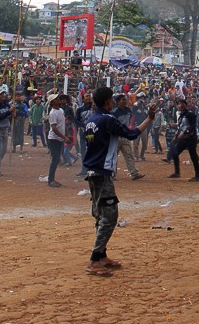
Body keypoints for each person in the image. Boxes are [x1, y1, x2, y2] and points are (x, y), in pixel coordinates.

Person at [83, 86, 155, 275]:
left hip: (92, 171)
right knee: (110, 216)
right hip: (102, 173)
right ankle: (94, 259)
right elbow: (131, 134)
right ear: (108, 102)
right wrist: (149, 119)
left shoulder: (91, 120)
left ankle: (102, 256)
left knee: (100, 215)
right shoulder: (108, 119)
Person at [112, 93, 144, 181]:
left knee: (129, 154)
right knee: (114, 156)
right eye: (123, 100)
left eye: (125, 99)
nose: (125, 101)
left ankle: (134, 173)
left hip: (124, 135)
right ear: (118, 102)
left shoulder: (127, 110)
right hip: (117, 136)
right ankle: (112, 174)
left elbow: (131, 120)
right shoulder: (115, 112)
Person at [168, 97, 199, 181]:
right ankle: (177, 172)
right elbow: (180, 128)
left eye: (182, 104)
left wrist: (185, 133)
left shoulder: (190, 114)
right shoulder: (181, 116)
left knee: (193, 157)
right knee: (175, 154)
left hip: (191, 138)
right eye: (179, 104)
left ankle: (197, 176)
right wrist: (176, 136)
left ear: (186, 105)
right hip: (183, 139)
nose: (180, 106)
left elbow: (192, 127)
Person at [46, 92, 68, 188]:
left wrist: (66, 135)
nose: (58, 99)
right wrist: (64, 137)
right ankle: (51, 180)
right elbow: (54, 128)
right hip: (54, 139)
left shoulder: (61, 111)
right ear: (52, 102)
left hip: (59, 138)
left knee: (56, 159)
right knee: (55, 159)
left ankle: (51, 179)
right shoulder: (53, 113)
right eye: (56, 99)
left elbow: (63, 124)